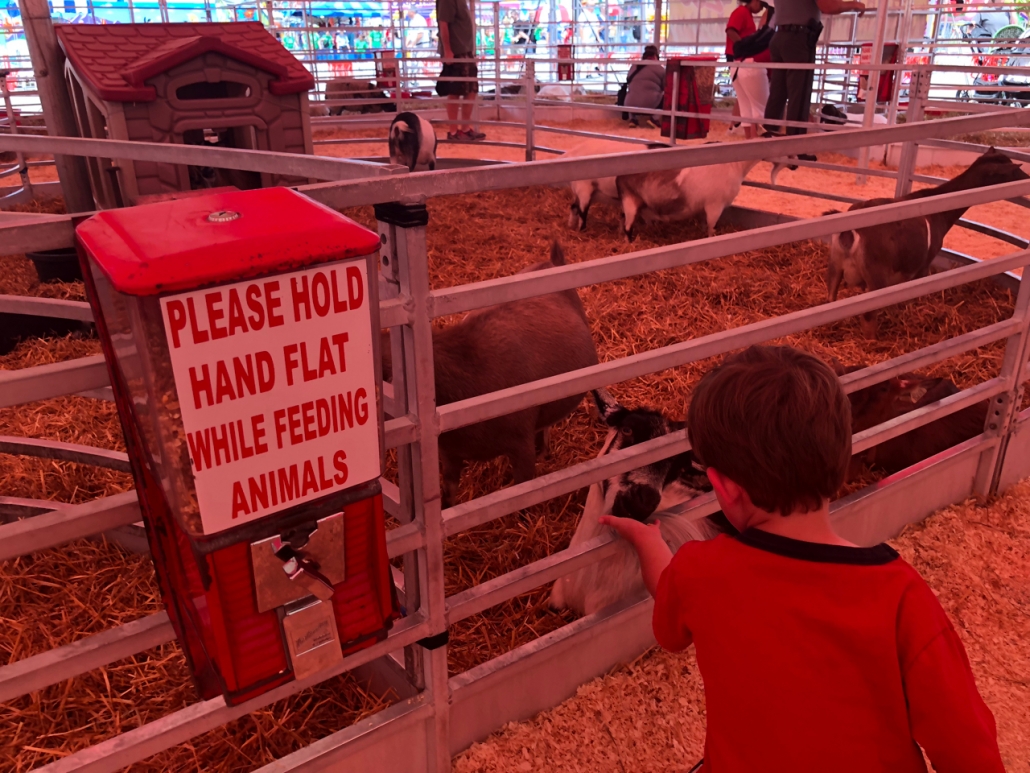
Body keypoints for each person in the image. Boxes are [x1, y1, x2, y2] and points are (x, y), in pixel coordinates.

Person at [601, 345, 1006, 773]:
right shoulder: (903, 597)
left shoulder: (701, 571)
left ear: (724, 488)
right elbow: (969, 752)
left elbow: (670, 623)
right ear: (839, 461)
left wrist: (648, 541)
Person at [762, 0, 865, 161]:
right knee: (800, 93)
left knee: (778, 91)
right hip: (798, 37)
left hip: (780, 35)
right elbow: (829, 6)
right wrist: (854, 4)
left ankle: (768, 141)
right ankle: (795, 148)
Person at [436, 0, 485, 141]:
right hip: (456, 52)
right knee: (455, 90)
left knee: (471, 89)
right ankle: (453, 131)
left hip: (465, 51)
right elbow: (443, 23)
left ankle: (464, 128)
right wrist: (448, 50)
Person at [727, 0, 773, 139]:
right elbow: (730, 30)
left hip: (739, 61)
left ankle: (747, 138)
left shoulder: (747, 15)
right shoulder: (741, 12)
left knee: (746, 105)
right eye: (760, 4)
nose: (760, 10)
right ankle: (755, 140)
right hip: (744, 58)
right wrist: (743, 45)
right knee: (759, 107)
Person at [624, 44, 665, 129]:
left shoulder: (634, 66)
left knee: (632, 92)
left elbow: (628, 80)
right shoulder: (660, 69)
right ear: (655, 56)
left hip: (630, 103)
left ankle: (632, 119)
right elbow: (666, 87)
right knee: (668, 96)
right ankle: (654, 119)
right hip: (649, 103)